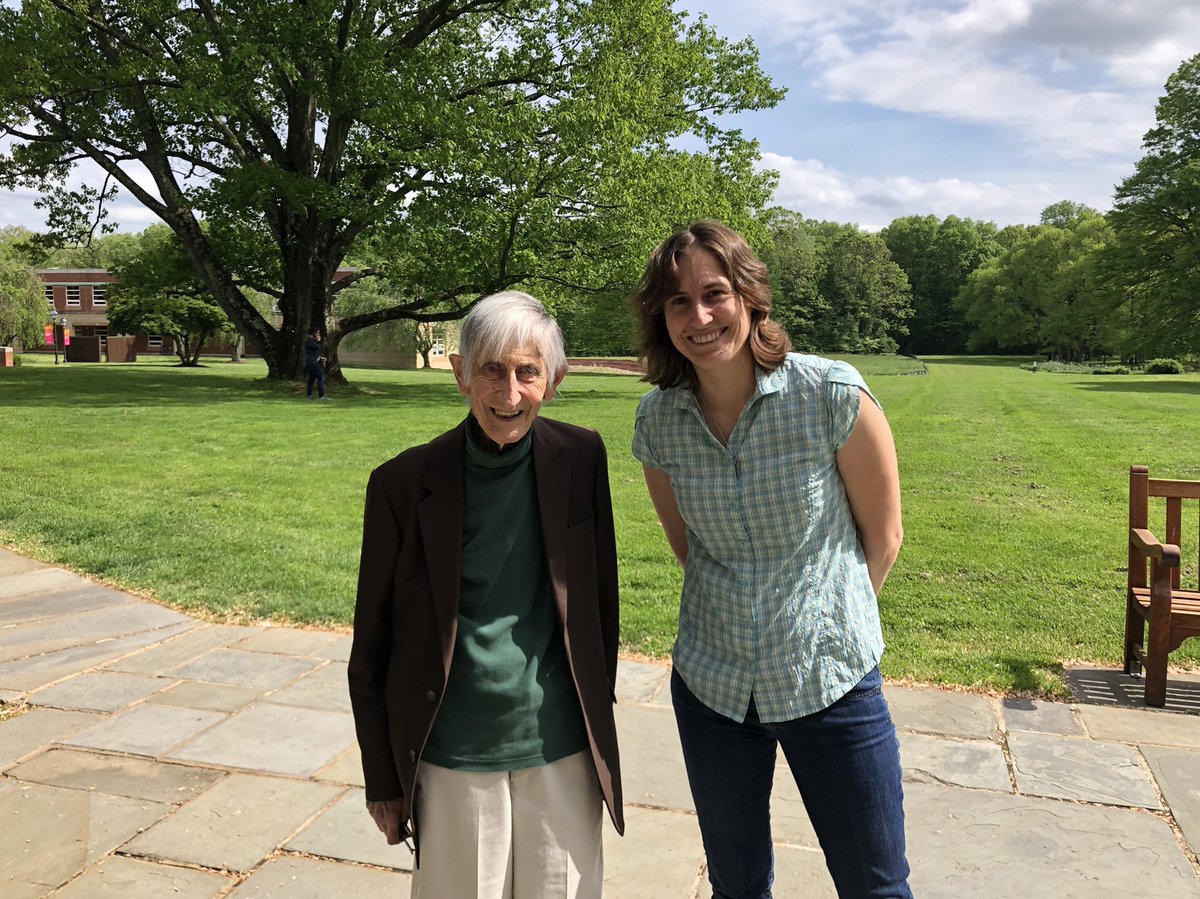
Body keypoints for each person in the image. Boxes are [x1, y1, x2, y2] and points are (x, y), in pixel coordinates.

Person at [629, 221, 911, 899]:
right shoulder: (657, 421)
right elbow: (686, 546)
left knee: (876, 886)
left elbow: (885, 535)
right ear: (661, 317)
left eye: (715, 292)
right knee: (737, 885)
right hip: (713, 688)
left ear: (751, 297)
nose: (699, 316)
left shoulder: (831, 395)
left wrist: (826, 622)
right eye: (678, 301)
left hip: (831, 684)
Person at [348, 290, 624, 899]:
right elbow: (372, 646)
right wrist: (383, 779)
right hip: (454, 752)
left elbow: (601, 606)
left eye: (527, 371)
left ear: (553, 379)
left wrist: (599, 722)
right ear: (460, 375)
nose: (509, 393)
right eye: (491, 371)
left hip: (563, 746)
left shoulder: (581, 459)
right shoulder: (400, 485)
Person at [305, 326, 327, 399]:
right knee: (321, 378)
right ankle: (321, 396)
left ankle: (309, 395)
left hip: (311, 362)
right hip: (312, 363)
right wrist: (318, 341)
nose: (319, 335)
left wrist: (320, 357)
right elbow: (317, 347)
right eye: (318, 333)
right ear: (314, 333)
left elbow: (314, 352)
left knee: (311, 379)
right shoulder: (309, 341)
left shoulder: (311, 341)